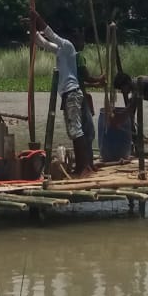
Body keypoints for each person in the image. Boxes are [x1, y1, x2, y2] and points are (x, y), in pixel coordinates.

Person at [31, 9, 94, 178]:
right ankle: (81, 166)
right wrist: (31, 28)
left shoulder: (67, 46)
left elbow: (50, 34)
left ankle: (85, 167)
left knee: (76, 131)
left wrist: (37, 18)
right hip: (68, 94)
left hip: (72, 93)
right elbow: (43, 43)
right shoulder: (61, 50)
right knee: (73, 131)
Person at [72, 27, 106, 167]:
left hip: (74, 97)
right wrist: (99, 78)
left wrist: (96, 84)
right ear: (75, 42)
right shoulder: (78, 57)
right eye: (81, 40)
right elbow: (87, 77)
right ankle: (88, 164)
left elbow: (80, 80)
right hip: (79, 99)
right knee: (89, 132)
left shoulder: (68, 57)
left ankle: (84, 163)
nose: (83, 43)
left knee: (79, 131)